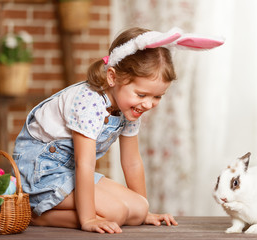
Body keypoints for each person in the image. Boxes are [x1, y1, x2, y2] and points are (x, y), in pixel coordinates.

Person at [12, 27, 224, 234]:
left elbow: (131, 162)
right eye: (142, 95)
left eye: (157, 97)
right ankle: (36, 215)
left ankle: (113, 211)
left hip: (68, 172)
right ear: (112, 77)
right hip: (39, 173)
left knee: (137, 209)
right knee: (116, 213)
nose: (148, 104)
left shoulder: (128, 107)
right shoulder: (89, 102)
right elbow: (83, 164)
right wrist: (88, 219)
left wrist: (145, 212)